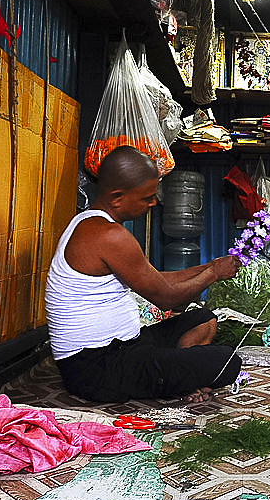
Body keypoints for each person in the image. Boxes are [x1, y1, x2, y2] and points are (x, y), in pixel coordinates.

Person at [45, 146, 243, 403]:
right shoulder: (110, 236)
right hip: (95, 369)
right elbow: (166, 298)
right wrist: (214, 274)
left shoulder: (89, 222)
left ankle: (182, 376)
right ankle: (183, 377)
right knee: (227, 362)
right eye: (146, 197)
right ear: (117, 197)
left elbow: (154, 279)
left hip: (126, 346)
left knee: (203, 318)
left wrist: (210, 266)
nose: (153, 203)